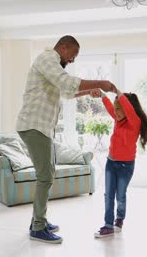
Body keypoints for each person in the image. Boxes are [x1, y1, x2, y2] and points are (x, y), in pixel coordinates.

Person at [16, 35, 117, 244]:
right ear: (63, 47)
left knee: (48, 174)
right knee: (45, 176)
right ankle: (38, 227)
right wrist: (100, 82)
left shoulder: (53, 65)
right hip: (34, 125)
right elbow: (66, 82)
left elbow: (66, 92)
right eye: (73, 55)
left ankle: (38, 220)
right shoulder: (46, 59)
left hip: (42, 128)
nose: (73, 60)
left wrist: (88, 91)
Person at [90, 88, 147, 238]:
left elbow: (128, 109)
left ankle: (120, 219)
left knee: (120, 195)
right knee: (108, 194)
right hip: (111, 163)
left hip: (126, 166)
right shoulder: (117, 119)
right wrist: (103, 95)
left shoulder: (134, 122)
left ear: (127, 109)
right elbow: (111, 107)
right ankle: (108, 226)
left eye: (119, 109)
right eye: (115, 109)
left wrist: (117, 90)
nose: (115, 112)